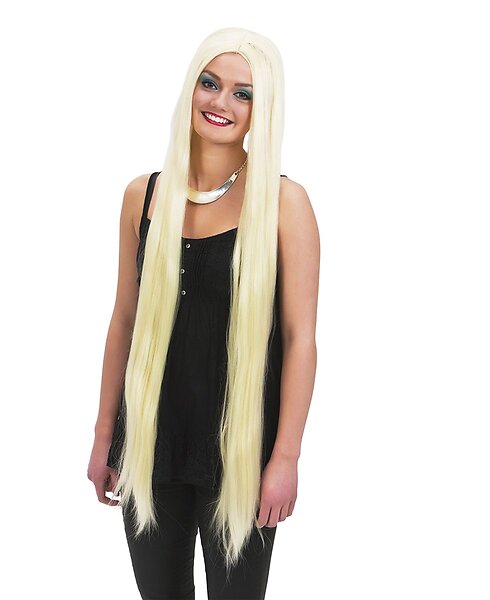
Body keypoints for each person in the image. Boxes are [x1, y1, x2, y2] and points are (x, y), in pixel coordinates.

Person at [87, 26, 320, 599]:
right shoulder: (143, 196)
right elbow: (123, 320)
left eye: (244, 93)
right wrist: (104, 436)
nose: (221, 102)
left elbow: (300, 339)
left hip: (242, 450)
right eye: (210, 84)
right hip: (151, 442)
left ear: (263, 109)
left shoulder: (285, 204)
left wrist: (285, 457)